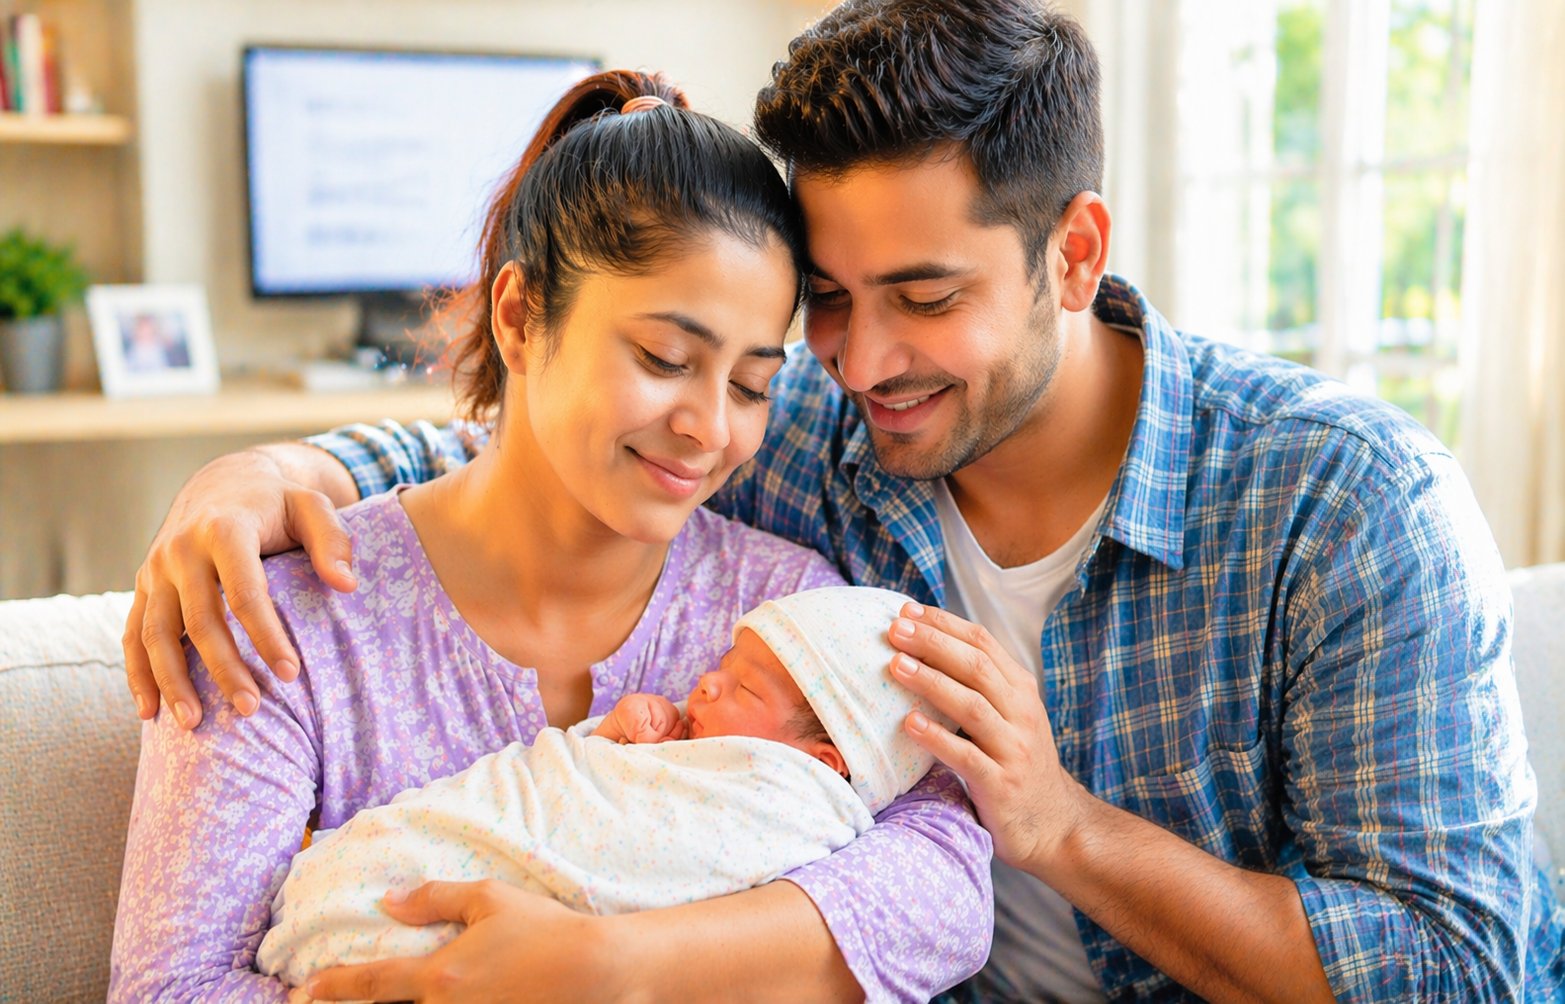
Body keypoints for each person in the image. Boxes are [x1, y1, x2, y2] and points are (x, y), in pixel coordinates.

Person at [124, 3, 1565, 1001]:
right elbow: (543, 438)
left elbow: (1455, 973)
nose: (860, 363)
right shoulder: (802, 422)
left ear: (1073, 255)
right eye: (826, 302)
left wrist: (1057, 824)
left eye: (925, 298)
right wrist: (269, 474)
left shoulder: (1345, 507)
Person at [108, 70, 992, 1003]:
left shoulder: (784, 620)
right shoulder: (283, 621)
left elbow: (941, 885)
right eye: (664, 358)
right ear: (520, 317)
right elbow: (171, 986)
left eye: (749, 386)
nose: (707, 427)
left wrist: (617, 969)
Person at [258, 585, 951, 990]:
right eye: (721, 665)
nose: (705, 683)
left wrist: (613, 960)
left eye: (742, 688)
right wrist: (611, 741)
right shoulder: (681, 743)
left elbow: (649, 852)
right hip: (406, 860)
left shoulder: (792, 806)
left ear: (822, 762)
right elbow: (566, 786)